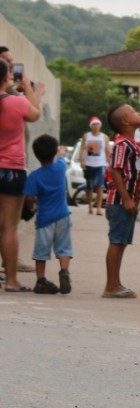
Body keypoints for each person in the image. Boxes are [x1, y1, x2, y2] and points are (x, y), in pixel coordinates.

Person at [0, 58, 42, 292]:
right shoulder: (16, 102)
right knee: (8, 227)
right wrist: (28, 89)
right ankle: (11, 280)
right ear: (7, 76)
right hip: (11, 170)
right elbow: (35, 114)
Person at [22, 134, 72, 294]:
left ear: (36, 155)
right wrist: (60, 152)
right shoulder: (60, 167)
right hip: (63, 215)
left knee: (41, 251)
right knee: (64, 248)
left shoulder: (35, 176)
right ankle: (64, 271)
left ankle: (41, 279)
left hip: (44, 219)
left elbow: (29, 198)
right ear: (54, 151)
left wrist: (32, 205)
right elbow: (61, 156)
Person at [104, 104, 140, 298]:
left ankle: (116, 283)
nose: (138, 112)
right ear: (126, 121)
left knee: (121, 243)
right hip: (120, 201)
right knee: (116, 241)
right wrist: (127, 199)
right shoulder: (122, 145)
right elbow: (116, 171)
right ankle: (111, 285)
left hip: (128, 202)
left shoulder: (132, 144)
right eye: (133, 111)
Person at [81, 116, 108, 215]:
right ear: (90, 126)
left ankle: (99, 208)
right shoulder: (86, 136)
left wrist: (110, 162)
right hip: (89, 164)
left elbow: (107, 150)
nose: (95, 126)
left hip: (100, 164)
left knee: (100, 186)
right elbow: (82, 148)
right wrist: (82, 160)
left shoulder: (104, 137)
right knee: (90, 186)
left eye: (97, 124)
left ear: (100, 126)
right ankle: (90, 206)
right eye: (93, 124)